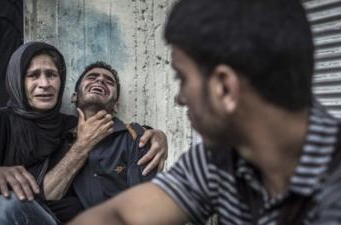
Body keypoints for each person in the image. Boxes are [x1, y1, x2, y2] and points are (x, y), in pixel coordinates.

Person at [68, 0, 341, 224]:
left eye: (183, 79)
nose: (180, 98)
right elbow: (120, 215)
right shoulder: (221, 160)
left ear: (224, 87)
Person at [0, 42, 167, 225]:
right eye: (33, 75)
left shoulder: (70, 127)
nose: (44, 84)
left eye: (51, 75)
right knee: (5, 205)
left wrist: (153, 135)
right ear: (17, 80)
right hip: (0, 216)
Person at [0, 61, 159, 225]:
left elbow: (145, 206)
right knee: (4, 205)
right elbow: (48, 195)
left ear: (116, 105)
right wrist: (83, 144)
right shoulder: (57, 137)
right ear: (74, 96)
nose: (100, 80)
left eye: (109, 81)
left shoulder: (135, 137)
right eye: (92, 77)